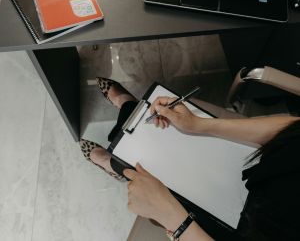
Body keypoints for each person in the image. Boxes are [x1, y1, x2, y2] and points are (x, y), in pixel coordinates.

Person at [80, 78, 300, 240]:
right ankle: (128, 110)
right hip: (254, 174)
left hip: (232, 232)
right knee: (155, 138)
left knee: (141, 164)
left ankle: (114, 163)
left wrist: (172, 217)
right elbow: (293, 131)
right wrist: (200, 125)